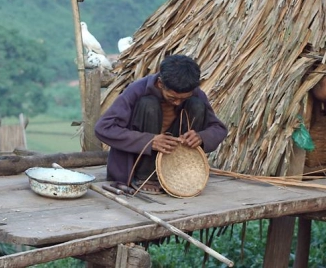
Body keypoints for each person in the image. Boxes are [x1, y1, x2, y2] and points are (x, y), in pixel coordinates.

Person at [94, 55, 228, 194]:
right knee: (149, 105)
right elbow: (103, 128)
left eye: (183, 99)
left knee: (197, 105)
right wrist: (149, 141)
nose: (177, 102)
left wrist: (201, 137)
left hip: (174, 166)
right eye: (172, 97)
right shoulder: (137, 90)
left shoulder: (195, 94)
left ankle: (178, 174)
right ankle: (145, 177)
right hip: (135, 168)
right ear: (159, 83)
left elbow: (218, 129)